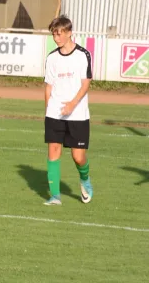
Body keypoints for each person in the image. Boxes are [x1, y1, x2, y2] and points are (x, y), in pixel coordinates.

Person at [43, 16, 93, 205]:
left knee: (78, 156)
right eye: (54, 34)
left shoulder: (83, 55)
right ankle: (55, 196)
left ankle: (85, 180)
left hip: (77, 113)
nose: (56, 38)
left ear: (69, 33)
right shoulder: (52, 58)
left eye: (60, 34)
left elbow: (86, 83)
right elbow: (48, 86)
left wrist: (73, 103)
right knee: (53, 152)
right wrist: (48, 111)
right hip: (55, 112)